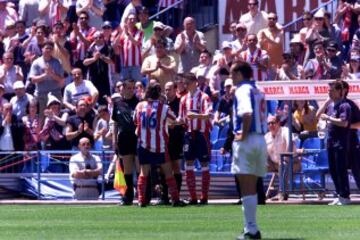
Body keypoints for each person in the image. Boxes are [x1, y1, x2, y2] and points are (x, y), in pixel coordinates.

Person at [231, 61, 267, 239]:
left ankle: (250, 228)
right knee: (252, 186)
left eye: (232, 73)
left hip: (248, 139)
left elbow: (246, 113)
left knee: (245, 187)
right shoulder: (258, 89)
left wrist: (243, 135)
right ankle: (251, 227)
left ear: (239, 73)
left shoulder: (242, 89)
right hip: (261, 138)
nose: (231, 77)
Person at [134, 83, 185, 207]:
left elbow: (135, 121)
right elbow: (176, 119)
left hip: (144, 144)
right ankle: (175, 199)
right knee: (168, 173)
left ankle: (141, 200)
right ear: (159, 93)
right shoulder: (164, 108)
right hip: (159, 145)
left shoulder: (140, 106)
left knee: (143, 173)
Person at [178, 72, 212, 205]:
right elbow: (182, 118)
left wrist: (196, 116)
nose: (185, 85)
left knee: (204, 164)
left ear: (194, 82)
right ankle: (193, 197)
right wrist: (172, 122)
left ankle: (204, 197)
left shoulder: (204, 97)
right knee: (188, 164)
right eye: (184, 83)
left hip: (201, 134)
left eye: (186, 82)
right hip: (188, 134)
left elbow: (209, 115)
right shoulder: (183, 99)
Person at [316, 80, 351, 206]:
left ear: (338, 91)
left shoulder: (344, 106)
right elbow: (318, 115)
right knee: (333, 170)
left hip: (340, 143)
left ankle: (345, 196)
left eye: (331, 90)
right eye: (328, 90)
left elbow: (344, 122)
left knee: (341, 170)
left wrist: (329, 118)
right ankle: (339, 194)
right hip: (330, 142)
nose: (328, 92)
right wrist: (326, 102)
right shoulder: (331, 106)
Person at [111, 79, 139, 205]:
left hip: (138, 138)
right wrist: (114, 140)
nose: (131, 90)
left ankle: (142, 195)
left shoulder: (139, 102)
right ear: (122, 88)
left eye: (133, 88)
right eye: (129, 88)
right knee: (127, 169)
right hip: (124, 137)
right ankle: (128, 197)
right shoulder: (118, 104)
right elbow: (115, 123)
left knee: (140, 167)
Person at [265, 115, 300, 201]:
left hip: (292, 162)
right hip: (274, 164)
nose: (270, 125)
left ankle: (283, 193)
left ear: (278, 123)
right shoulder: (266, 136)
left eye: (272, 123)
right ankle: (255, 194)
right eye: (268, 123)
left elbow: (290, 143)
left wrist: (286, 158)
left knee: (283, 164)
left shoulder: (285, 131)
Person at [28, 40, 65, 117]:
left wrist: (51, 74)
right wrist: (45, 75)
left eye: (51, 48)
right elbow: (33, 80)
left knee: (56, 117)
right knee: (41, 117)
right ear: (42, 49)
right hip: (41, 95)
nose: (48, 50)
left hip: (55, 94)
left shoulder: (57, 62)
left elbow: (61, 80)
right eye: (47, 48)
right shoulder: (36, 62)